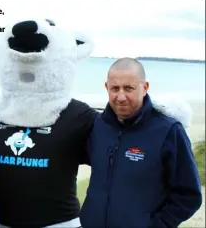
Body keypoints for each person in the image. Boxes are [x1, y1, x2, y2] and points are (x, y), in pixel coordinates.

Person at [79, 57, 202, 228]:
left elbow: (189, 195)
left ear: (144, 88)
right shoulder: (98, 125)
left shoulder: (169, 131)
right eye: (115, 88)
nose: (121, 96)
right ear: (106, 88)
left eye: (129, 88)